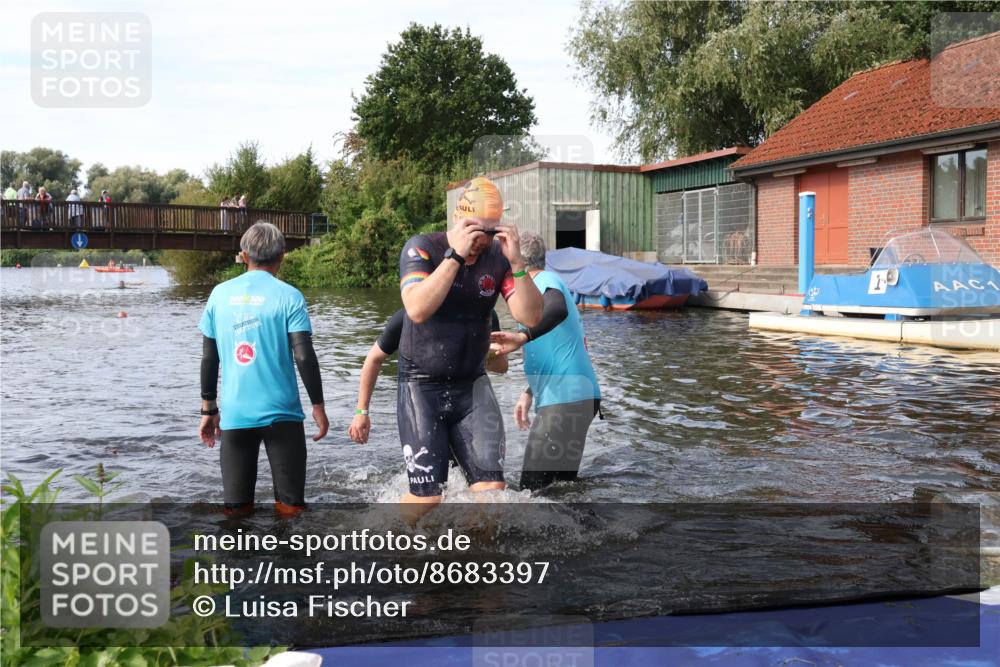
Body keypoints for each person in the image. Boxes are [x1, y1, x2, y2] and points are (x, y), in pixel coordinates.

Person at [395, 176, 543, 519]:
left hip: (472, 387)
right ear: (458, 221)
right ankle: (396, 550)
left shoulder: (498, 258)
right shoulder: (421, 248)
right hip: (421, 386)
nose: (482, 241)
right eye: (475, 231)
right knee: (427, 499)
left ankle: (479, 563)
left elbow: (531, 317)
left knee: (493, 497)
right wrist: (455, 256)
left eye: (490, 233)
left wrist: (518, 264)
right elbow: (416, 308)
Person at [198, 221, 329, 515]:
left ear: (244, 256)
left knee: (235, 511)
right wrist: (318, 406)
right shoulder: (290, 296)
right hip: (282, 414)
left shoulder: (219, 295)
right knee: (291, 509)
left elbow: (209, 358)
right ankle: (288, 557)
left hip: (235, 415)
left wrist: (208, 409)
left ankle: (237, 558)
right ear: (281, 256)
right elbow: (305, 356)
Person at [490, 231, 602, 490]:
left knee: (531, 490)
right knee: (559, 489)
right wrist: (529, 391)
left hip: (566, 398)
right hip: (573, 395)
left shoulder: (542, 280)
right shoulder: (537, 288)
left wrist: (522, 335)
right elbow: (556, 347)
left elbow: (558, 309)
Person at [348, 309, 507, 445]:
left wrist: (485, 352)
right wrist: (361, 412)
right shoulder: (410, 315)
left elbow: (502, 367)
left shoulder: (486, 312)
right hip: (423, 404)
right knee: (435, 477)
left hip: (469, 402)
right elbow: (374, 359)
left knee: (479, 478)